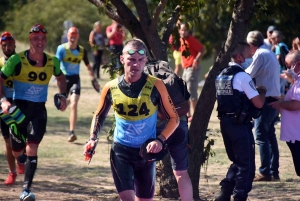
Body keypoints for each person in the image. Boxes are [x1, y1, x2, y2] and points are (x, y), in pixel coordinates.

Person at [84, 39, 179, 201]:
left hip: (146, 153)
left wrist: (160, 140)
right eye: (131, 60)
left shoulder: (156, 85)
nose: (136, 65)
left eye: (140, 60)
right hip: (121, 152)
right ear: (122, 60)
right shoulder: (111, 87)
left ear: (145, 61)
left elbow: (174, 118)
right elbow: (99, 115)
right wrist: (93, 139)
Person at [0, 24, 67, 200]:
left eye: (43, 39)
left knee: (32, 147)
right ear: (30, 40)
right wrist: (3, 100)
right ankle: (19, 157)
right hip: (18, 110)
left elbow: (60, 77)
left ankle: (26, 190)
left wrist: (62, 95)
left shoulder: (53, 62)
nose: (40, 42)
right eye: (36, 38)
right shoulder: (16, 60)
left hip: (38, 110)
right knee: (17, 153)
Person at [215, 42, 266, 201]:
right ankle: (239, 197)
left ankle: (224, 194)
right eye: (249, 56)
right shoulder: (242, 76)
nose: (251, 59)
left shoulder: (222, 74)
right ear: (239, 57)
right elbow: (258, 103)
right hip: (239, 124)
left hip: (225, 123)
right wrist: (262, 92)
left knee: (237, 161)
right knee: (247, 166)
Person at [245, 30, 281, 181]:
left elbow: (248, 74)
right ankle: (273, 171)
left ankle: (265, 172)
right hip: (274, 98)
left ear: (250, 44)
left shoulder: (260, 54)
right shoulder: (269, 52)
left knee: (260, 135)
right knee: (270, 135)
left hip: (265, 100)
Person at [56, 27, 100, 142]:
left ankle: (71, 132)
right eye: (71, 35)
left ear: (78, 37)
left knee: (74, 104)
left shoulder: (81, 51)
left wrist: (94, 80)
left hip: (75, 79)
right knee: (62, 107)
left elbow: (88, 67)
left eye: (75, 35)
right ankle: (66, 100)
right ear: (67, 36)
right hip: (64, 80)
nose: (73, 37)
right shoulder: (62, 49)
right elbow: (55, 65)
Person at [0, 31, 26, 185]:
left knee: (24, 137)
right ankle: (12, 172)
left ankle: (21, 158)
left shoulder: (22, 61)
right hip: (4, 103)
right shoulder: (0, 63)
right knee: (8, 141)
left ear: (15, 45)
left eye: (10, 44)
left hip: (21, 102)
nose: (8, 47)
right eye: (5, 45)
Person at [269, 50, 300, 177]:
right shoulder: (297, 81)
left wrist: (280, 104)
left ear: (298, 64)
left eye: (288, 65)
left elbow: (296, 104)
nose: (287, 68)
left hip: (297, 135)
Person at [178, 23, 206, 122]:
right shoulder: (181, 40)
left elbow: (202, 49)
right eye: (181, 30)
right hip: (185, 69)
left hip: (192, 68)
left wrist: (196, 60)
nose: (183, 32)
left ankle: (195, 115)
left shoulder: (191, 39)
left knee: (192, 91)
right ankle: (188, 114)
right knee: (185, 92)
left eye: (185, 30)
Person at [271, 30, 290, 96]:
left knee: (278, 88)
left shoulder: (279, 46)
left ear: (277, 38)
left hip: (280, 70)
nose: (271, 39)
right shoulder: (284, 45)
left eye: (273, 38)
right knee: (282, 88)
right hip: (285, 70)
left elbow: (278, 57)